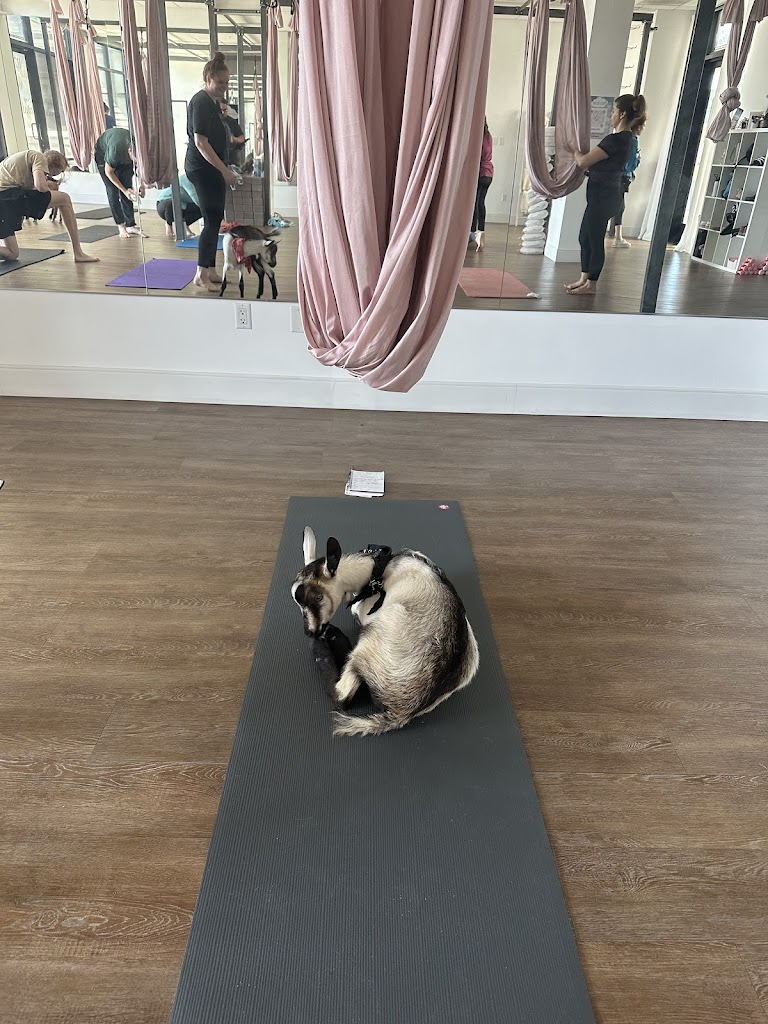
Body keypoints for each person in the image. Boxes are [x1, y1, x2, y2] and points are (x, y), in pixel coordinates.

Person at [566, 94, 647, 296]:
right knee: (585, 237)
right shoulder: (627, 139)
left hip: (605, 196)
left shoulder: (616, 140)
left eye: (613, 111)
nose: (611, 115)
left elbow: (583, 161)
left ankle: (591, 285)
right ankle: (584, 278)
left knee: (594, 240)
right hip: (604, 195)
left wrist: (572, 149)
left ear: (622, 114)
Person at [185, 52, 238, 292]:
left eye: (226, 82)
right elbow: (200, 142)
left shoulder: (213, 102)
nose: (224, 87)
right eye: (219, 82)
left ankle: (211, 269)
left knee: (216, 219)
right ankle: (200, 274)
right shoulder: (200, 101)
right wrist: (224, 171)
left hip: (211, 168)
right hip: (202, 168)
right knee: (210, 221)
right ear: (208, 79)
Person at [0, 148, 98, 264]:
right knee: (64, 199)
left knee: (12, 253)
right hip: (5, 197)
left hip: (5, 203)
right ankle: (78, 253)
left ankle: (78, 253)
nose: (56, 175)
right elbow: (41, 187)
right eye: (59, 171)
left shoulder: (27, 164)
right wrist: (49, 188)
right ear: (55, 166)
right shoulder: (39, 157)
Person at [94, 126, 147, 239]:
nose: (136, 162)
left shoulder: (140, 149)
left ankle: (130, 225)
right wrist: (124, 190)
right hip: (103, 153)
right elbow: (109, 172)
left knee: (128, 189)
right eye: (135, 159)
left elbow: (140, 169)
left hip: (123, 154)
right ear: (129, 151)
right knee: (112, 191)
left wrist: (141, 185)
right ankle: (121, 226)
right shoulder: (115, 151)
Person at [610, 121, 644, 248]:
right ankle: (618, 238)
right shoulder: (632, 140)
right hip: (622, 176)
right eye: (643, 126)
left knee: (617, 205)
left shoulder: (618, 137)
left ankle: (618, 236)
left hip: (614, 175)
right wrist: (638, 158)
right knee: (619, 206)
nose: (643, 128)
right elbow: (630, 165)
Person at [469, 118, 494, 252]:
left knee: (474, 203)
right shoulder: (488, 136)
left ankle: (472, 232)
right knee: (481, 202)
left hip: (480, 172)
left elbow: (476, 156)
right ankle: (481, 231)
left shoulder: (478, 138)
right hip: (489, 173)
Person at [156, 174, 202, 239]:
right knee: (171, 204)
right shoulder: (185, 178)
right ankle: (168, 224)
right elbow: (195, 197)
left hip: (183, 204)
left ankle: (185, 224)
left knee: (201, 210)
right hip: (163, 202)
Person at [221, 101, 246, 168]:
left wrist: (234, 139)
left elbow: (242, 138)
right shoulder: (212, 122)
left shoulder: (232, 122)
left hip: (232, 158)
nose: (223, 112)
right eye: (221, 110)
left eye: (225, 110)